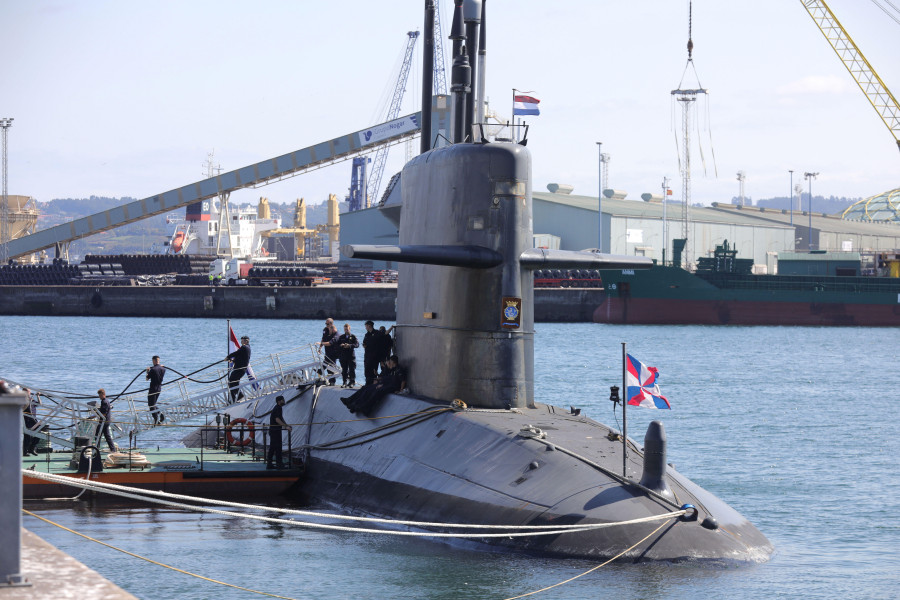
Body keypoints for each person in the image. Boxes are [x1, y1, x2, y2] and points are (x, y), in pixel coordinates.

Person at [341, 355, 406, 417]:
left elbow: (402, 380)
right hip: (385, 384)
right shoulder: (391, 369)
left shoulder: (398, 370)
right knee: (366, 388)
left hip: (391, 386)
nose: (388, 363)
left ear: (393, 362)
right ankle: (352, 402)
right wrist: (378, 379)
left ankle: (365, 408)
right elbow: (386, 378)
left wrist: (401, 390)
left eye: (390, 362)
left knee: (374, 392)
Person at [267, 395, 292, 469]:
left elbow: (281, 418)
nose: (284, 401)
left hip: (274, 430)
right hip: (275, 431)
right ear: (279, 401)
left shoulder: (277, 408)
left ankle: (270, 463)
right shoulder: (278, 408)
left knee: (273, 447)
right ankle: (278, 464)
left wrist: (286, 425)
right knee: (277, 447)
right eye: (283, 400)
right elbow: (277, 419)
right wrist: (286, 426)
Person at [227, 335, 252, 402]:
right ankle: (237, 396)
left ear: (246, 341)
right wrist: (232, 360)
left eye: (242, 340)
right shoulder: (247, 348)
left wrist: (228, 356)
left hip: (239, 369)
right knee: (234, 382)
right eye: (241, 340)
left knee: (231, 381)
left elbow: (237, 353)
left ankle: (234, 398)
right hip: (241, 369)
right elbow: (240, 357)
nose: (241, 341)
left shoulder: (244, 347)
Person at [317, 318, 340, 385]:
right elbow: (323, 338)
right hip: (327, 351)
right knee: (326, 362)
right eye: (326, 324)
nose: (326, 325)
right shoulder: (325, 330)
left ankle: (332, 382)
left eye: (327, 324)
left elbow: (330, 343)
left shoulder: (336, 333)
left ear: (331, 324)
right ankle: (320, 372)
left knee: (331, 367)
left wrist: (322, 343)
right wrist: (320, 348)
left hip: (334, 352)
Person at [145, 355, 166, 425]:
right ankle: (161, 414)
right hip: (159, 389)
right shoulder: (163, 369)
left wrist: (147, 372)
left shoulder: (153, 370)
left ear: (154, 361)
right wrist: (161, 366)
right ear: (158, 360)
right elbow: (160, 369)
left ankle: (156, 418)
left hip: (153, 389)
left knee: (151, 405)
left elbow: (147, 378)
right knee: (153, 404)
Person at [337, 323, 359, 388]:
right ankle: (344, 382)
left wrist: (349, 345)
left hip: (351, 356)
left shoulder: (353, 337)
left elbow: (357, 345)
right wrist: (341, 345)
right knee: (344, 370)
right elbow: (337, 345)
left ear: (349, 329)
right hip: (343, 356)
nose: (346, 330)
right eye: (345, 329)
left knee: (352, 369)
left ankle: (352, 382)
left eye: (347, 329)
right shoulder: (341, 337)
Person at [23, 388, 41, 456]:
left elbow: (39, 404)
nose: (28, 393)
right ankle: (24, 452)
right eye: (27, 392)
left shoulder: (31, 400)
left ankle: (32, 448)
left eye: (29, 392)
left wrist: (38, 396)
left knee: (39, 434)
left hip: (33, 420)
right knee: (27, 436)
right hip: (26, 420)